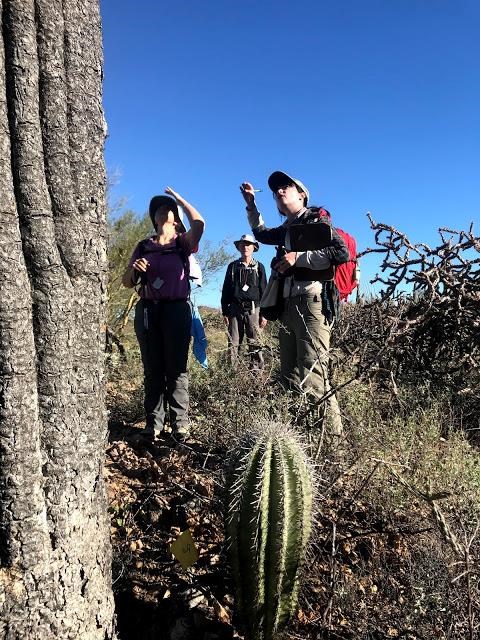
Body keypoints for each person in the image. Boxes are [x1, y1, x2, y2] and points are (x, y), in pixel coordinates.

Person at [239, 171, 349, 432]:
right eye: (276, 190)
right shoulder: (286, 229)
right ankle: (295, 438)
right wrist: (252, 205)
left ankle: (331, 442)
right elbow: (262, 234)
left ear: (302, 195)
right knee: (288, 375)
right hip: (287, 306)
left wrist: (298, 257)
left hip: (312, 303)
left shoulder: (315, 219)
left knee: (313, 374)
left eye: (286, 187)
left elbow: (340, 252)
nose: (279, 191)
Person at [122, 187, 205, 442]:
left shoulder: (182, 244)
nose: (163, 209)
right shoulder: (144, 245)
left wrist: (180, 199)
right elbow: (127, 282)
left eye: (169, 207)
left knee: (177, 368)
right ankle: (153, 425)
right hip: (148, 309)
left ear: (177, 217)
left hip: (177, 309)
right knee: (153, 367)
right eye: (158, 208)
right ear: (154, 219)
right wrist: (135, 269)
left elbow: (199, 224)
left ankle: (180, 426)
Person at [221, 234, 268, 369]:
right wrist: (225, 311)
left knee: (255, 343)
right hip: (235, 310)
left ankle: (257, 378)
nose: (245, 247)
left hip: (255, 310)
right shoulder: (233, 267)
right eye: (242, 244)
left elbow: (264, 291)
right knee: (233, 343)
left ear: (254, 247)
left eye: (248, 244)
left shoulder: (259, 267)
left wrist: (264, 314)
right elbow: (226, 289)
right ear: (239, 247)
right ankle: (231, 376)